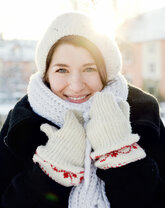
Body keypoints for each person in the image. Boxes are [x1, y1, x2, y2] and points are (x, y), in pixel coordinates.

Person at [0, 12, 165, 208]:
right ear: (47, 74)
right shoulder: (22, 123)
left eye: (89, 69)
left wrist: (119, 153)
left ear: (107, 71)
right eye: (62, 70)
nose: (76, 86)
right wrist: (53, 170)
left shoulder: (141, 113)